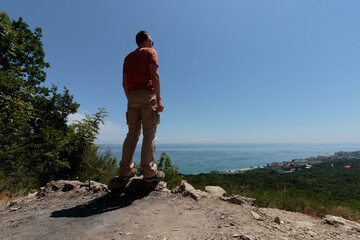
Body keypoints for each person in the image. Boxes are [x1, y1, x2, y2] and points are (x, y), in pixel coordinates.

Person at [118, 31, 165, 182]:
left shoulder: (128, 57)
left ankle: (125, 170)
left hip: (131, 96)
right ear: (146, 41)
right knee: (149, 132)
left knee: (132, 133)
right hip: (147, 94)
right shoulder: (150, 52)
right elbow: (154, 75)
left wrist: (130, 99)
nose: (152, 44)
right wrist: (159, 99)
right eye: (151, 41)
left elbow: (124, 83)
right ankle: (149, 172)